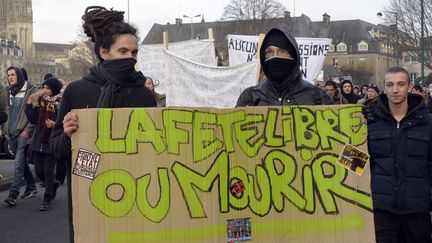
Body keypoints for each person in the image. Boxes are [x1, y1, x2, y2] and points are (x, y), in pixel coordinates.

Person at [49, 6, 156, 242]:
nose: (130, 57)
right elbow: (55, 150)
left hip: (139, 199)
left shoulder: (145, 96)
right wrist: (68, 135)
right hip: (90, 200)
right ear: (104, 52)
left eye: (135, 52)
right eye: (123, 50)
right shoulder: (77, 91)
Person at [368, 67, 432, 242]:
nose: (395, 90)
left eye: (401, 84)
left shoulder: (427, 123)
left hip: (417, 212)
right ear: (384, 87)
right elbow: (353, 163)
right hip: (381, 212)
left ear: (409, 87)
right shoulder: (369, 123)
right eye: (390, 84)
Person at [236, 28, 332, 106]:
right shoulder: (250, 97)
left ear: (293, 56)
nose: (275, 56)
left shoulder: (317, 97)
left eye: (282, 51)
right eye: (269, 52)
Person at [25, 77, 63, 211]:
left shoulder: (60, 103)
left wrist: (55, 124)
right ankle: (53, 185)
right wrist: (29, 105)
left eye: (47, 88)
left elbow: (65, 121)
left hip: (51, 141)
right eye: (44, 88)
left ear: (54, 89)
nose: (44, 91)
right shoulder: (41, 102)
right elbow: (33, 119)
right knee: (39, 172)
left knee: (47, 171)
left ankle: (47, 199)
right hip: (39, 140)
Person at [2, 66, 38, 206]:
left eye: (13, 74)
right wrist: (5, 130)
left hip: (23, 133)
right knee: (22, 163)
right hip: (10, 134)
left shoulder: (31, 91)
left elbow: (34, 114)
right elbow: (6, 111)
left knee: (18, 164)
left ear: (19, 75)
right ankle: (31, 186)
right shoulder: (7, 91)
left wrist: (27, 130)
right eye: (8, 75)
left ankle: (13, 194)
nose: (10, 77)